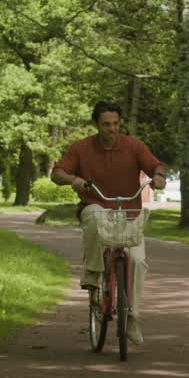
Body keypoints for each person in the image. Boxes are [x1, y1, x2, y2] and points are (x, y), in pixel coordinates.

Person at [51, 101, 167, 345]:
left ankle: (132, 318)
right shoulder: (81, 148)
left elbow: (155, 165)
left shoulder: (133, 146)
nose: (112, 129)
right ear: (96, 124)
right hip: (97, 206)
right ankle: (93, 274)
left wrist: (158, 176)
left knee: (137, 261)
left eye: (115, 124)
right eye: (106, 124)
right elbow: (57, 173)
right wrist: (73, 180)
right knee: (94, 215)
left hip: (129, 213)